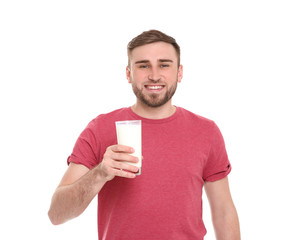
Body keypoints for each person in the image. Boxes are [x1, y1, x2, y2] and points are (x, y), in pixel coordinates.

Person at [48, 29, 241, 240]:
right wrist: (100, 174)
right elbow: (57, 214)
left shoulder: (206, 132)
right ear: (129, 74)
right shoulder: (100, 129)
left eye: (164, 64)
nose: (155, 75)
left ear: (180, 72)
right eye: (143, 65)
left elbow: (223, 212)